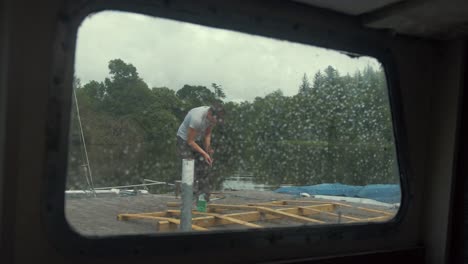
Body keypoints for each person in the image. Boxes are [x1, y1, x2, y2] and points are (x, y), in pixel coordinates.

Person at [176, 103, 225, 202]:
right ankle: (189, 200)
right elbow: (190, 142)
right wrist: (204, 153)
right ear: (210, 113)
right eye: (214, 120)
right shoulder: (196, 118)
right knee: (189, 167)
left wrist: (208, 150)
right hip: (184, 140)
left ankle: (202, 201)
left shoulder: (213, 118)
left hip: (196, 140)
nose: (214, 122)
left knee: (205, 168)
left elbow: (207, 135)